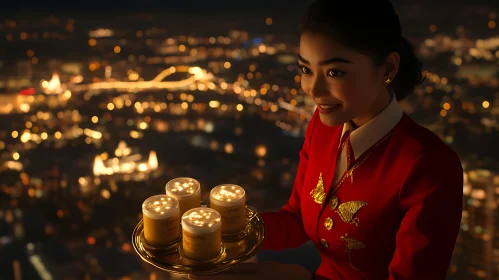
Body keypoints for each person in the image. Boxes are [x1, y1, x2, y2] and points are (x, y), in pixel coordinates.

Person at [196, 0, 463, 279]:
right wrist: (224, 230)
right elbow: (297, 219)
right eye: (305, 70)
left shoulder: (430, 166)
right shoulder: (323, 128)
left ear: (387, 69)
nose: (313, 88)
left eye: (335, 72)